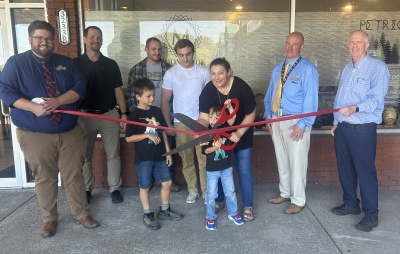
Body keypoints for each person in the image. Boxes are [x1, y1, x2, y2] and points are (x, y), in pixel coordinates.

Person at [0, 20, 99, 237]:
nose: (44, 42)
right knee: (45, 177)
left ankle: (81, 213)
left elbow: (80, 87)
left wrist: (59, 101)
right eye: (39, 38)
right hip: (35, 134)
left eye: (48, 38)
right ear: (30, 39)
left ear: (53, 40)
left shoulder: (65, 63)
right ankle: (49, 219)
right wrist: (33, 108)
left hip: (69, 132)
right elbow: (6, 91)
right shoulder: (16, 63)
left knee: (74, 175)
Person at [330, 30, 389, 232]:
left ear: (366, 45)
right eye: (351, 42)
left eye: (358, 42)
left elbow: (376, 100)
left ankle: (371, 215)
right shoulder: (347, 68)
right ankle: (350, 204)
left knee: (365, 173)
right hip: (343, 129)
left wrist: (355, 108)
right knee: (345, 169)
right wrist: (337, 122)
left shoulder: (377, 68)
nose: (354, 45)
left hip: (363, 129)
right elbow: (339, 100)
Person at [263, 32, 319, 214]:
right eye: (287, 43)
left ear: (302, 47)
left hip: (296, 121)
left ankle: (298, 200)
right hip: (277, 119)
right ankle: (285, 192)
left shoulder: (308, 70)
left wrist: (302, 124)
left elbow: (311, 101)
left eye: (294, 44)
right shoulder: (278, 68)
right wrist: (268, 116)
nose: (289, 47)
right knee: (282, 160)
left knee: (297, 162)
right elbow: (270, 94)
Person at [198, 57, 257, 222]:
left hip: (242, 135)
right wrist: (201, 132)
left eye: (221, 73)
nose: (217, 77)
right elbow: (203, 117)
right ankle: (219, 200)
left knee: (244, 170)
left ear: (229, 72)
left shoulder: (241, 86)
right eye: (213, 74)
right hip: (219, 139)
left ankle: (248, 206)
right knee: (219, 167)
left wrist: (238, 133)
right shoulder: (208, 90)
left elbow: (251, 113)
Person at [74, 26, 127, 204]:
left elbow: (118, 91)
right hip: (84, 116)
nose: (96, 40)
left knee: (113, 154)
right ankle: (87, 189)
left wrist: (124, 114)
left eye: (99, 37)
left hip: (109, 114)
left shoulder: (111, 64)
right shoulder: (75, 64)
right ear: (84, 39)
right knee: (85, 156)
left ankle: (115, 189)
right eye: (92, 37)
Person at [125, 77, 184, 230]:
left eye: (153, 95)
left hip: (160, 156)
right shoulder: (134, 115)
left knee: (167, 182)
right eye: (148, 96)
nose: (152, 99)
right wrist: (147, 135)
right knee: (145, 186)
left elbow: (163, 132)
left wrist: (168, 152)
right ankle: (147, 214)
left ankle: (164, 210)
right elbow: (129, 138)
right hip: (144, 158)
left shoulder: (157, 111)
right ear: (138, 97)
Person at [127, 37, 180, 192]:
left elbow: (175, 95)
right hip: (144, 121)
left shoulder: (170, 69)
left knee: (167, 148)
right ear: (146, 50)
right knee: (147, 151)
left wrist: (170, 118)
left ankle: (168, 180)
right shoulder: (136, 69)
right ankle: (147, 182)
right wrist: (138, 116)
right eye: (153, 49)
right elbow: (130, 95)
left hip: (163, 117)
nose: (157, 52)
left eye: (159, 49)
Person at [161, 39, 210, 204]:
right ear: (177, 55)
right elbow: (165, 100)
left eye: (188, 54)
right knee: (186, 159)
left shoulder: (204, 72)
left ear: (193, 52)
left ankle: (206, 191)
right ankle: (192, 190)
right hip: (180, 122)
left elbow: (211, 98)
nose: (185, 58)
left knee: (203, 158)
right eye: (181, 55)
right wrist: (168, 123)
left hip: (201, 121)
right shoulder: (171, 73)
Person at [203, 101, 244, 230]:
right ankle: (210, 217)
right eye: (211, 117)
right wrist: (215, 147)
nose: (213, 120)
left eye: (217, 117)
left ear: (222, 119)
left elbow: (232, 116)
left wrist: (230, 105)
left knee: (230, 192)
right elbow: (205, 151)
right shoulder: (206, 134)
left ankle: (233, 213)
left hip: (226, 168)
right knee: (211, 195)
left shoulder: (227, 127)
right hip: (212, 170)